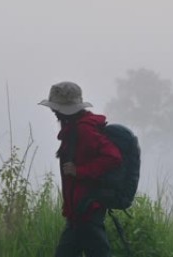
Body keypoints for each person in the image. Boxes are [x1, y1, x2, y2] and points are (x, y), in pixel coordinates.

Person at [39, 81, 123, 257]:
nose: (53, 111)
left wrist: (80, 171)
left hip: (88, 211)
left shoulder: (84, 129)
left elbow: (113, 157)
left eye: (56, 108)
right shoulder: (73, 129)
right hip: (78, 214)